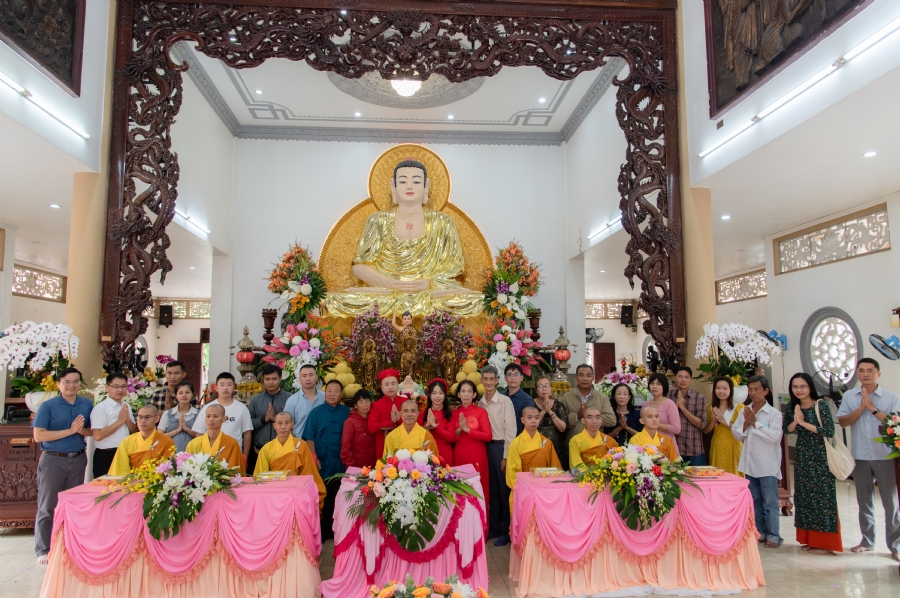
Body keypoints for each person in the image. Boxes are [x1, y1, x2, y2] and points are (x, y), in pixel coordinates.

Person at [837, 357, 900, 559]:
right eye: (862, 370)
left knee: (891, 503)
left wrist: (872, 408)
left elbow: (895, 424)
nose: (865, 374)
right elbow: (843, 422)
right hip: (860, 456)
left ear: (878, 374)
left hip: (885, 456)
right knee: (864, 500)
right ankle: (867, 540)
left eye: (870, 371)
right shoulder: (849, 396)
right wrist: (861, 408)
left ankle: (896, 545)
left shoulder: (891, 397)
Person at [32, 368, 93, 565]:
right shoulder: (47, 406)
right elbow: (39, 435)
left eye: (76, 381)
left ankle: (69, 545)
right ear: (58, 384)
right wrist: (70, 431)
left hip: (77, 458)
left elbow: (91, 430)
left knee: (72, 506)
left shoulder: (86, 404)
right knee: (47, 505)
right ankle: (43, 549)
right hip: (53, 460)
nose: (72, 385)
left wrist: (81, 430)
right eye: (67, 382)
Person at [784, 372, 842, 555]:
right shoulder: (792, 405)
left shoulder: (821, 405)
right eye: (795, 387)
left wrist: (803, 422)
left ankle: (826, 544)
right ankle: (810, 540)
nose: (799, 390)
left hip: (820, 457)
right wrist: (795, 420)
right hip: (802, 457)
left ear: (810, 387)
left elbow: (829, 430)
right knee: (805, 498)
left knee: (823, 499)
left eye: (802, 386)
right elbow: (787, 429)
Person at [731, 375, 783, 549]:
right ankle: (759, 531)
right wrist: (746, 424)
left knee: (770, 502)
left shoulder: (773, 414)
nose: (753, 393)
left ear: (766, 391)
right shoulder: (745, 410)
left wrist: (756, 424)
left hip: (767, 464)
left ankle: (774, 535)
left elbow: (774, 437)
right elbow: (737, 434)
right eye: (750, 389)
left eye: (757, 389)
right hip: (749, 463)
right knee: (755, 500)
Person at [303, 379, 350, 541]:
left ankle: (338, 531)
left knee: (339, 496)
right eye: (329, 391)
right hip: (322, 461)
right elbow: (309, 437)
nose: (332, 394)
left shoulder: (347, 412)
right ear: (325, 392)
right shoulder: (316, 413)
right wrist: (314, 457)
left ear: (341, 394)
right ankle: (322, 532)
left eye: (336, 391)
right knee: (322, 497)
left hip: (340, 461)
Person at [477, 365, 516, 547]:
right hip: (486, 448)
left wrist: (506, 456)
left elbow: (511, 430)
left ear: (497, 380)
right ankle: (492, 527)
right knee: (491, 490)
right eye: (486, 379)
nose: (489, 382)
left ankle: (505, 531)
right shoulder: (480, 402)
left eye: (492, 379)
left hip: (501, 447)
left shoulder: (505, 401)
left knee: (503, 491)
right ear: (482, 381)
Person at [255, 411, 326, 509]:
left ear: (292, 424)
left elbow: (309, 474)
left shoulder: (302, 446)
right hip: (273, 496)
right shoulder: (266, 449)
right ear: (274, 426)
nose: (283, 427)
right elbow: (260, 478)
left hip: (297, 494)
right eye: (280, 423)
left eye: (287, 423)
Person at [506, 405, 562, 513]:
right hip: (523, 490)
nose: (533, 421)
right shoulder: (515, 444)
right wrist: (524, 489)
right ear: (522, 420)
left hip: (544, 490)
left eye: (536, 418)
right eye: (529, 418)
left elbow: (555, 468)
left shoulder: (547, 443)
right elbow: (512, 474)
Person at [452, 380, 492, 531]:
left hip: (477, 454)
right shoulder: (455, 413)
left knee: (478, 489)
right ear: (458, 394)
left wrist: (468, 430)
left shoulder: (481, 412)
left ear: (475, 394)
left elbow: (488, 436)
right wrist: (458, 430)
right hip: (460, 454)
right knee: (460, 491)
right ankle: (461, 529)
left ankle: (481, 528)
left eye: (469, 391)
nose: (466, 394)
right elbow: (452, 437)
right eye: (463, 391)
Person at [192, 372, 253, 463]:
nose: (225, 388)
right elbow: (199, 433)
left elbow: (247, 433)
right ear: (216, 388)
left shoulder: (241, 408)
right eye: (222, 385)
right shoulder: (208, 408)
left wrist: (245, 457)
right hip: (209, 456)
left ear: (234, 387)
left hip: (234, 454)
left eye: (229, 385)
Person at [90, 372, 137, 478]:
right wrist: (120, 421)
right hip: (106, 454)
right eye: (116, 387)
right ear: (107, 387)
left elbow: (133, 431)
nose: (120, 390)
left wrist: (127, 420)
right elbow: (98, 436)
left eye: (123, 386)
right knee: (105, 491)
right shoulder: (101, 408)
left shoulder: (126, 406)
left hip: (125, 453)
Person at [248, 364, 291, 473]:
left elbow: (294, 422)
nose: (270, 382)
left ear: (280, 378)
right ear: (263, 380)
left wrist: (276, 419)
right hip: (259, 451)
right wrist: (264, 419)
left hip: (284, 453)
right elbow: (248, 423)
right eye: (267, 379)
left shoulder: (290, 399)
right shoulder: (256, 401)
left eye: (274, 379)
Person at [559, 364, 615, 448]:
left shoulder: (602, 398)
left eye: (588, 376)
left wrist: (591, 418)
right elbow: (560, 421)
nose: (585, 379)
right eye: (581, 375)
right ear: (576, 378)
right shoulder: (566, 397)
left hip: (596, 446)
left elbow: (612, 420)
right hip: (573, 446)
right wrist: (577, 416)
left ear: (592, 378)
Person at [109, 405, 175, 475]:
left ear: (156, 419)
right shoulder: (127, 441)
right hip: (131, 483)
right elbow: (120, 469)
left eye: (147, 417)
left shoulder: (166, 441)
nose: (143, 421)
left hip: (156, 483)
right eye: (140, 417)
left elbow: (168, 470)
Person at [702, 377, 744, 475]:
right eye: (718, 388)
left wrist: (722, 420)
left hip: (734, 445)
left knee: (735, 475)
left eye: (725, 388)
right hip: (718, 445)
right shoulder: (710, 408)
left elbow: (741, 429)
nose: (721, 391)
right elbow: (706, 431)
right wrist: (714, 421)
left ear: (730, 390)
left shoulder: (739, 408)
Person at [186, 404, 245, 472]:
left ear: (223, 419)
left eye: (215, 416)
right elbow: (188, 469)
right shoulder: (193, 444)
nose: (211, 420)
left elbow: (234, 472)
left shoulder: (232, 443)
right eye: (208, 416)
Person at [669, 366, 708, 465]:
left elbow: (702, 424)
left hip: (694, 449)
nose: (683, 380)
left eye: (686, 377)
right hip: (674, 448)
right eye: (680, 376)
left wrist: (682, 408)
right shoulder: (668, 396)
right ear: (675, 378)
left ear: (690, 379)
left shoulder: (699, 397)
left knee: (697, 480)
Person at [368, 369, 407, 458]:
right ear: (381, 387)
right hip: (383, 446)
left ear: (398, 385)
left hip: (405, 446)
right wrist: (391, 422)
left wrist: (399, 420)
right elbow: (371, 427)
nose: (390, 387)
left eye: (393, 384)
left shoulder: (406, 402)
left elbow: (414, 424)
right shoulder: (376, 405)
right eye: (386, 384)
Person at [532, 373, 568, 466]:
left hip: (557, 448)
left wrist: (550, 412)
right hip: (537, 448)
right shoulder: (531, 404)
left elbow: (563, 428)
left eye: (547, 385)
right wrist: (543, 411)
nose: (544, 389)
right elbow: (531, 427)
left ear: (551, 388)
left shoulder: (558, 405)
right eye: (541, 386)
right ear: (536, 390)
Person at [420, 378, 458, 465]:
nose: (437, 396)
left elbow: (451, 438)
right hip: (427, 453)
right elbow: (418, 436)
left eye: (441, 393)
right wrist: (427, 426)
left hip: (445, 453)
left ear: (445, 395)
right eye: (434, 393)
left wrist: (436, 426)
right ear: (429, 395)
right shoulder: (423, 414)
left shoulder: (449, 414)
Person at [157, 380, 200, 452]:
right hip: (170, 454)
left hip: (192, 454)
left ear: (192, 394)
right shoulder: (167, 414)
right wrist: (178, 430)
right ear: (176, 396)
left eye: (187, 392)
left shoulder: (198, 414)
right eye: (180, 393)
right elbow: (159, 437)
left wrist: (186, 429)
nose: (184, 395)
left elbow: (201, 437)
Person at [284, 364, 325, 438]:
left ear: (316, 377)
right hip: (300, 443)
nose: (308, 379)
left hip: (321, 443)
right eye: (304, 376)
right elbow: (286, 425)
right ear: (300, 378)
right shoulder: (292, 400)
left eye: (311, 375)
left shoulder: (325, 397)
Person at [644, 373, 681, 455]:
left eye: (658, 384)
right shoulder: (645, 405)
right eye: (652, 383)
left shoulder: (670, 404)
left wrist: (656, 424)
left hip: (666, 446)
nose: (654, 386)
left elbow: (676, 429)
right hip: (649, 447)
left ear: (664, 386)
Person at [341, 389, 376, 468]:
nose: (365, 405)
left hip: (373, 468)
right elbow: (346, 448)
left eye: (367, 401)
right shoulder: (350, 422)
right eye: (361, 402)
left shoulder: (373, 420)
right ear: (355, 405)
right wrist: (352, 467)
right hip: (357, 468)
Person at [504, 363, 535, 436]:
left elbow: (530, 424)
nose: (513, 378)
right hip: (502, 437)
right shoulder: (501, 396)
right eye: (509, 375)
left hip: (520, 438)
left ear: (521, 378)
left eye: (516, 374)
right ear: (505, 378)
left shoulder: (527, 399)